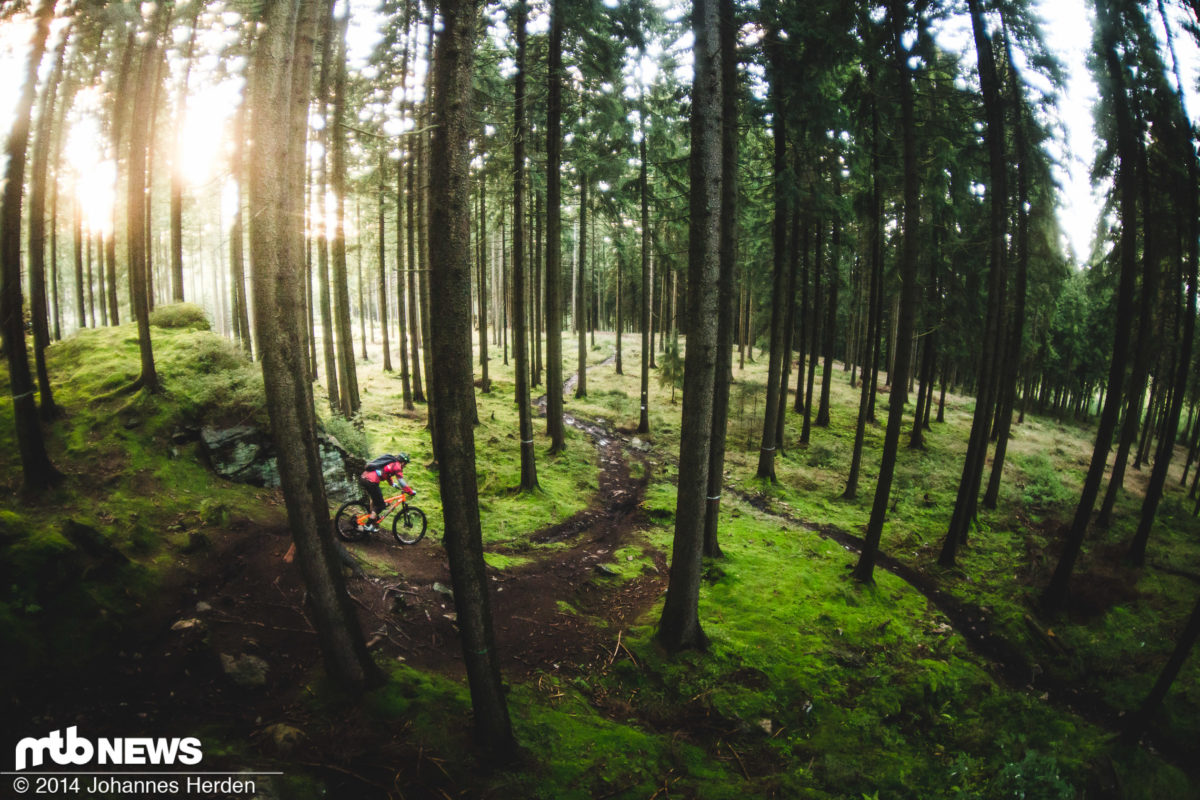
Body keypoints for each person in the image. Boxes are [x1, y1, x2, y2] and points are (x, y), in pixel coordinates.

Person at [360, 453, 415, 529]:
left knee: (375, 499)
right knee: (380, 505)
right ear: (402, 462)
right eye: (405, 464)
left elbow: (386, 473)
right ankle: (368, 525)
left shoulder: (391, 463)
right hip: (371, 481)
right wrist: (410, 492)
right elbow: (401, 481)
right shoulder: (397, 466)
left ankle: (372, 517)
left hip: (364, 478)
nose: (405, 466)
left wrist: (392, 484)